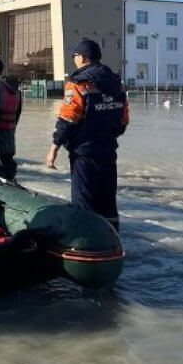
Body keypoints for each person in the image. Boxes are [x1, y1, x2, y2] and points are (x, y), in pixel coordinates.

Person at [45, 39, 128, 231]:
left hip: (84, 153)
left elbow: (67, 120)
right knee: (108, 202)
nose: (74, 60)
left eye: (74, 56)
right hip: (108, 150)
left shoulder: (77, 84)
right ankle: (112, 243)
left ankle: (87, 245)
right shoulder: (117, 83)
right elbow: (123, 121)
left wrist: (53, 149)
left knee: (84, 201)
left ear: (82, 57)